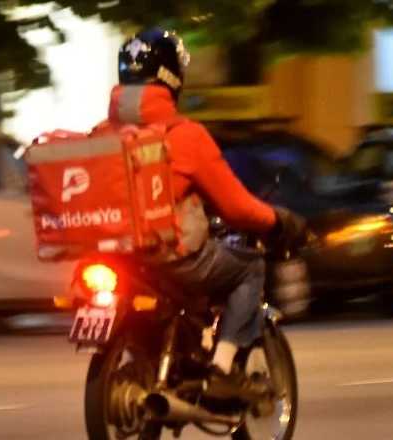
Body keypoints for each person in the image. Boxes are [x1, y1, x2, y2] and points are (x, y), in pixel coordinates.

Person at [97, 27, 307, 398]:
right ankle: (222, 368)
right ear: (173, 76)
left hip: (116, 257)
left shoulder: (100, 133)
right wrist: (280, 221)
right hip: (166, 258)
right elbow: (237, 207)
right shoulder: (185, 135)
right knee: (249, 266)